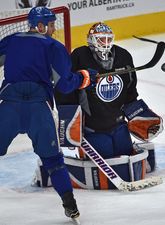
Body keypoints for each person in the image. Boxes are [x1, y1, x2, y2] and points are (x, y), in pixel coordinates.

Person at [0, 6, 97, 220]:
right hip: (38, 109)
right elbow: (64, 85)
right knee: (54, 161)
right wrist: (84, 77)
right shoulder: (54, 46)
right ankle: (70, 205)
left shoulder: (12, 39)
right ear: (41, 26)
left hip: (8, 107)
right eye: (51, 25)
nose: (54, 29)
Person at [55, 22, 163, 165]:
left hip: (118, 125)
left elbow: (130, 91)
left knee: (125, 156)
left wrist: (138, 113)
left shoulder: (123, 56)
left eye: (108, 38)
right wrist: (70, 122)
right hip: (93, 129)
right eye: (101, 39)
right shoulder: (79, 56)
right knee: (107, 161)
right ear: (91, 39)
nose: (105, 43)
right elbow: (65, 89)